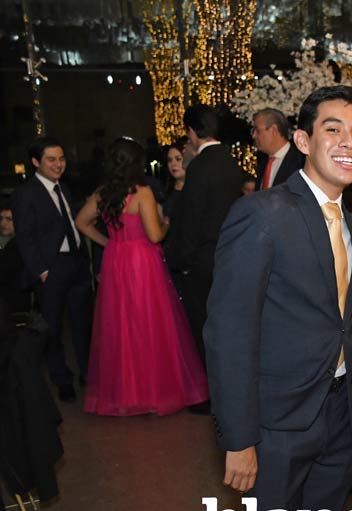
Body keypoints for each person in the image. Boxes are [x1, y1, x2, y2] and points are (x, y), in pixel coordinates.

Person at [204, 86, 352, 511]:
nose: (348, 142)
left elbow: (345, 318)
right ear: (302, 140)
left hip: (338, 417)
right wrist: (239, 439)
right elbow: (229, 333)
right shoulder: (261, 214)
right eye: (333, 129)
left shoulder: (351, 224)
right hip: (276, 424)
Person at [74, 138, 208, 416]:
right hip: (142, 262)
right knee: (150, 324)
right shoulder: (142, 192)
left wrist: (109, 243)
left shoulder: (102, 193)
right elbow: (155, 235)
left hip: (116, 260)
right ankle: (153, 392)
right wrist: (167, 222)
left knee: (120, 326)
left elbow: (80, 222)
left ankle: (126, 394)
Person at [11, 137, 92, 401]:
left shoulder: (64, 188)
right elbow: (25, 237)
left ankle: (88, 374)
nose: (58, 164)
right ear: (36, 162)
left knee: (83, 324)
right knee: (53, 329)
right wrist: (42, 270)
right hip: (52, 269)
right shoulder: (25, 193)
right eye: (51, 160)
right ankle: (62, 380)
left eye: (62, 159)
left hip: (77, 265)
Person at [165, 104, 243, 365]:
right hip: (229, 254)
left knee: (203, 326)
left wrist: (184, 262)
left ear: (191, 131)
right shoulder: (231, 161)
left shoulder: (199, 166)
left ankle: (212, 383)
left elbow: (192, 219)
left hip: (203, 259)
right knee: (227, 324)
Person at [252, 107, 305, 190]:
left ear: (273, 130)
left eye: (258, 131)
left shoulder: (301, 161)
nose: (254, 136)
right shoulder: (262, 164)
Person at [0, 202, 30, 315]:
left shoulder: (17, 245)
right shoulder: (20, 242)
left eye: (9, 219)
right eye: (1, 218)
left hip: (12, 307)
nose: (3, 223)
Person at [162, 139, 187, 218]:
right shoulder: (164, 188)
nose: (173, 164)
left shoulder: (197, 188)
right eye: (169, 160)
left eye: (178, 159)